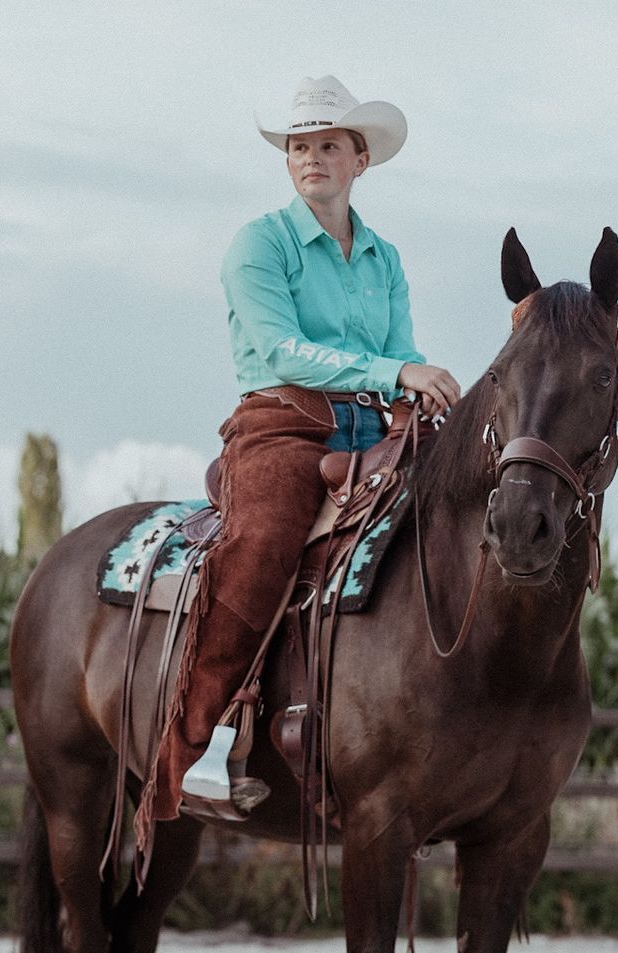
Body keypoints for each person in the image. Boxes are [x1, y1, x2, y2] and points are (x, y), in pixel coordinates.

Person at [142, 75, 463, 832]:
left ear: (360, 160)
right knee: (262, 552)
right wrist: (397, 373)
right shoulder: (261, 243)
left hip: (375, 428)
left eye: (327, 145)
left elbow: (399, 347)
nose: (311, 157)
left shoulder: (382, 256)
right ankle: (196, 753)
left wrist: (420, 389)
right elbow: (283, 349)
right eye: (299, 146)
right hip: (283, 423)